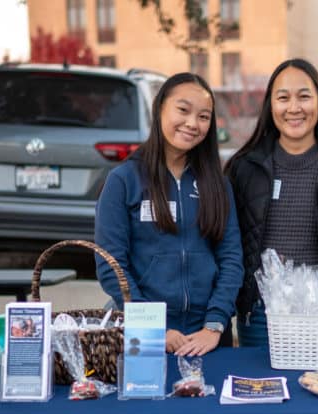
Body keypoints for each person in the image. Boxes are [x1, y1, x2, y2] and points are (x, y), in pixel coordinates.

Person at [225, 58, 318, 347]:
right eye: (283, 98)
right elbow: (230, 245)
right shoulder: (244, 169)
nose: (294, 108)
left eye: (304, 96)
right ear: (271, 107)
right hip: (261, 315)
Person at [95, 73, 243, 356]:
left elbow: (232, 257)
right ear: (160, 108)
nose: (192, 123)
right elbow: (110, 264)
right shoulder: (124, 180)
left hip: (207, 339)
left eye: (204, 116)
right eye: (183, 110)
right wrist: (152, 327)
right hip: (147, 339)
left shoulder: (217, 183)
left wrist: (215, 324)